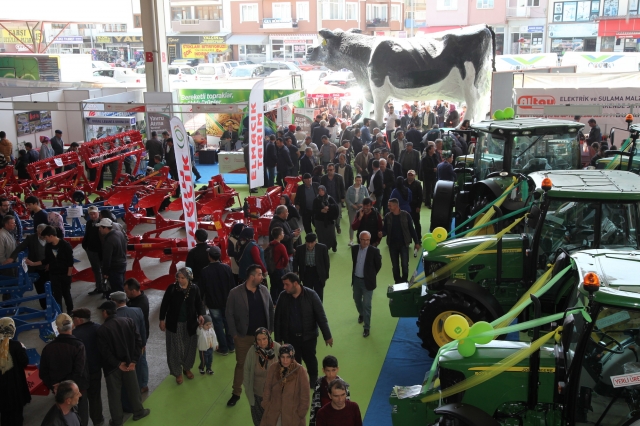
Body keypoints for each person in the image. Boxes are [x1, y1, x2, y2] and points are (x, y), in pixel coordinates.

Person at [225, 264, 274, 407]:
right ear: (251, 277)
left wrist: (270, 329)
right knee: (241, 364)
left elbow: (271, 309)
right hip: (243, 337)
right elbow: (229, 314)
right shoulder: (235, 293)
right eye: (259, 274)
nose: (262, 276)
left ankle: (266, 389)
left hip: (264, 337)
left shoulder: (264, 290)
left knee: (266, 363)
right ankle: (236, 393)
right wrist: (234, 334)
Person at [96, 300, 150, 425]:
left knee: (114, 395)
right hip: (129, 364)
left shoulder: (102, 330)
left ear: (105, 312)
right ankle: (138, 412)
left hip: (112, 368)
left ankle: (117, 420)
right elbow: (138, 342)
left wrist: (117, 363)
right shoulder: (129, 321)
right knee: (134, 389)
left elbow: (104, 352)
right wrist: (134, 361)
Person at [274, 272, 332, 387]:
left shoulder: (311, 295)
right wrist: (278, 339)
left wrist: (327, 336)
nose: (284, 287)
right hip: (290, 338)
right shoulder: (283, 296)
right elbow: (278, 319)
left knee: (310, 359)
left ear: (295, 283)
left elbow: (321, 316)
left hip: (308, 337)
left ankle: (313, 379)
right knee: (294, 362)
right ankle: (297, 380)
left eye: (287, 285)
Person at [39, 313, 89, 425]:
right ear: (72, 326)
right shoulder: (78, 346)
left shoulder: (48, 349)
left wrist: (56, 386)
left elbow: (43, 373)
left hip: (59, 392)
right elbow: (79, 371)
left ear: (57, 329)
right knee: (81, 417)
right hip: (77, 388)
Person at [159, 267, 205, 384]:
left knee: (190, 346)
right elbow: (164, 304)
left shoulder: (194, 288)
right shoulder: (172, 289)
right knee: (175, 349)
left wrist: (200, 314)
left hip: (190, 323)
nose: (180, 280)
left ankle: (187, 368)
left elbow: (199, 303)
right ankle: (177, 372)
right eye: (178, 278)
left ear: (189, 277)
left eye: (183, 278)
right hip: (175, 323)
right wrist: (161, 319)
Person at [26, 226, 74, 313]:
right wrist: (33, 263)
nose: (45, 239)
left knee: (66, 294)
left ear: (51, 236)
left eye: (46, 237)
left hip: (64, 274)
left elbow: (70, 262)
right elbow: (46, 260)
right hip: (54, 274)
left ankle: (70, 311)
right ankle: (60, 313)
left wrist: (68, 275)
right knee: (57, 295)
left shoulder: (65, 245)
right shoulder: (48, 247)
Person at [111, 290, 148, 401]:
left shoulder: (115, 316)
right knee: (141, 363)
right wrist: (143, 343)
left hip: (123, 348)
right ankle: (143, 385)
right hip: (138, 345)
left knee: (127, 370)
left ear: (114, 302)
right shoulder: (137, 311)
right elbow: (143, 328)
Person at [260, 344, 310, 426]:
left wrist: (300, 413)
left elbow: (305, 395)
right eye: (282, 357)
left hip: (293, 416)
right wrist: (266, 404)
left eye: (288, 357)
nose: (285, 360)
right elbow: (267, 387)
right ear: (279, 357)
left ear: (292, 357)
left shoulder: (301, 371)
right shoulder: (273, 368)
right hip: (274, 413)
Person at [199, 246, 236, 355]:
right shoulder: (226, 268)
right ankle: (231, 346)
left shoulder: (204, 271)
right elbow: (233, 286)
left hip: (213, 303)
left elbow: (201, 290)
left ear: (209, 257)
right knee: (228, 323)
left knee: (218, 325)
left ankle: (223, 348)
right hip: (227, 302)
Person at [71, 308, 104, 426]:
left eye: (73, 319)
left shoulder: (74, 335)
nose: (73, 322)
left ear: (79, 320)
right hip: (96, 369)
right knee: (95, 396)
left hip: (81, 373)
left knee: (81, 400)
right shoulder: (98, 328)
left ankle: (82, 422)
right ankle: (98, 420)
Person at [243, 328, 281, 426]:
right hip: (257, 396)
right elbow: (246, 372)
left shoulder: (277, 348)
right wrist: (249, 394)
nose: (262, 342)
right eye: (258, 340)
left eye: (264, 339)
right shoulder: (252, 351)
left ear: (268, 337)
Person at [7, 223, 47, 308]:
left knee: (51, 287)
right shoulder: (31, 238)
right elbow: (19, 248)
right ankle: (45, 308)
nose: (40, 235)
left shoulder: (50, 237)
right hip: (36, 269)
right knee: (40, 290)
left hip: (48, 268)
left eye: (42, 233)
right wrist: (12, 258)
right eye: (39, 233)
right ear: (37, 231)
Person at [350, 231, 382, 337]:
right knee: (356, 299)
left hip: (368, 282)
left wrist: (371, 275)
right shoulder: (354, 249)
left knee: (367, 305)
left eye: (367, 240)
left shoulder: (374, 251)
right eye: (363, 240)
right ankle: (361, 314)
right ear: (360, 240)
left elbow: (378, 265)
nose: (365, 242)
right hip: (356, 280)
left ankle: (367, 328)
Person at [0, 317, 30, 426]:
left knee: (4, 416)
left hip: (1, 390)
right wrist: (22, 349)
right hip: (15, 388)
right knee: (17, 416)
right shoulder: (16, 346)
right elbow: (24, 362)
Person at [383, 199, 421, 284]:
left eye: (390, 205)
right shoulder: (387, 217)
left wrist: (417, 242)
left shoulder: (406, 215)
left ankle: (404, 280)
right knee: (395, 266)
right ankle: (397, 281)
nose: (388, 207)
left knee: (404, 264)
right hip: (392, 245)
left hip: (404, 244)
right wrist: (381, 234)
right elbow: (385, 230)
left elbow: (412, 230)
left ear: (396, 206)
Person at [310, 356, 351, 426]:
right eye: (328, 371)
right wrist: (312, 422)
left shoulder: (343, 385)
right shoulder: (319, 384)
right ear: (323, 370)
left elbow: (347, 405)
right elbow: (314, 404)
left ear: (337, 369)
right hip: (323, 419)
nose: (331, 374)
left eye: (333, 370)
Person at [292, 233, 330, 301]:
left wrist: (325, 275)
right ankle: (308, 309)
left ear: (315, 241)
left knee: (319, 294)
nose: (309, 245)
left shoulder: (322, 248)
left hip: (318, 273)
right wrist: (295, 271)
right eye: (308, 243)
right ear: (305, 242)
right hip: (306, 273)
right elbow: (296, 261)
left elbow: (326, 263)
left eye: (312, 243)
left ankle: (318, 309)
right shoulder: (300, 248)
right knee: (307, 293)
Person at [82, 206, 103, 295]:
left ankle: (106, 289)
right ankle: (99, 287)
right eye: (91, 214)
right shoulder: (89, 223)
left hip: (100, 252)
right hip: (91, 251)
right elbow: (87, 235)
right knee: (96, 270)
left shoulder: (103, 224)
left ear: (98, 213)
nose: (93, 216)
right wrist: (85, 246)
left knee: (104, 270)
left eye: (94, 213)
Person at [320, 163, 346, 235]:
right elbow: (321, 189)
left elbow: (342, 188)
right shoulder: (323, 178)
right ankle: (331, 227)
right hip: (327, 200)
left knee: (337, 214)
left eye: (331, 170)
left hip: (337, 199)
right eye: (328, 170)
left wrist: (343, 197)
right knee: (328, 214)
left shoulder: (339, 177)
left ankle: (337, 226)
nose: (329, 171)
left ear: (334, 170)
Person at [267, 226, 289, 304]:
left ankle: (273, 302)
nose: (283, 234)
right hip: (279, 269)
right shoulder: (281, 246)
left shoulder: (270, 244)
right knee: (281, 286)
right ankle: (281, 302)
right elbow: (286, 258)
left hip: (271, 269)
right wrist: (284, 265)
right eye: (282, 233)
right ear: (279, 236)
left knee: (273, 286)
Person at [345, 175, 370, 246]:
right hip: (352, 208)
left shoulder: (364, 188)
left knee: (362, 224)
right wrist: (352, 205)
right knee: (352, 224)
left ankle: (361, 239)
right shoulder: (350, 188)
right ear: (355, 180)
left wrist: (362, 204)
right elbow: (347, 198)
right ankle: (351, 240)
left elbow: (367, 198)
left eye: (360, 181)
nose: (359, 182)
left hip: (361, 209)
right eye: (357, 180)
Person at [313, 185, 339, 252]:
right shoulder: (316, 200)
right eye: (319, 190)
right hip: (319, 221)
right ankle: (324, 248)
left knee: (332, 235)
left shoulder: (329, 198)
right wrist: (321, 210)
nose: (321, 192)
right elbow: (313, 210)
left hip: (329, 220)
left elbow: (336, 206)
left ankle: (333, 246)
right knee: (321, 236)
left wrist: (329, 207)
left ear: (325, 191)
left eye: (322, 190)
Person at [405, 170, 424, 236]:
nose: (410, 176)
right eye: (409, 175)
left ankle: (418, 237)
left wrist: (419, 206)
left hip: (414, 206)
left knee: (416, 223)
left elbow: (421, 196)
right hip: (405, 206)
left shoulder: (418, 184)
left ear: (415, 176)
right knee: (406, 223)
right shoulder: (403, 182)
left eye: (411, 175)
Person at [421, 144, 437, 208]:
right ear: (429, 150)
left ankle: (432, 202)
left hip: (434, 176)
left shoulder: (434, 157)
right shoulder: (425, 159)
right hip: (428, 176)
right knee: (428, 190)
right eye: (433, 148)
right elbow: (424, 168)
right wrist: (432, 169)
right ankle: (428, 203)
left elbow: (437, 162)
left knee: (433, 189)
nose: (434, 150)